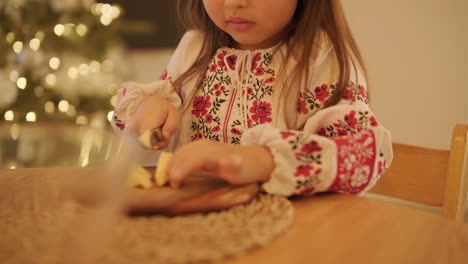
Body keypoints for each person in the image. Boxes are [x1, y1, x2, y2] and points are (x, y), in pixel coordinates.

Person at [111, 0, 393, 196]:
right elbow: (151, 141)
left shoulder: (321, 59)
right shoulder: (193, 48)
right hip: (190, 227)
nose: (234, 2)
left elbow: (363, 156)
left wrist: (262, 160)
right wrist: (151, 109)